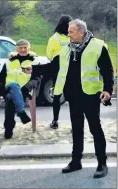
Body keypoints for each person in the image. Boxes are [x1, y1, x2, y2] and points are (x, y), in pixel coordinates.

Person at [54, 19, 114, 178]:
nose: (68, 34)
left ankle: (102, 163)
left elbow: (107, 70)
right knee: (76, 129)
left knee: (95, 129)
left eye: (71, 31)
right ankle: (76, 161)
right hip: (72, 96)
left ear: (81, 32)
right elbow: (57, 67)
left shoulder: (97, 46)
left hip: (90, 95)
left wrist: (108, 90)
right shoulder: (67, 48)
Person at [0, 39, 40, 139]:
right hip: (9, 87)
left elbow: (36, 79)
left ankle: (9, 128)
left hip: (23, 90)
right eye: (20, 48)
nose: (23, 50)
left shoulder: (34, 61)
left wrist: (27, 87)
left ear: (29, 48)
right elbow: (1, 78)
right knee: (14, 86)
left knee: (10, 98)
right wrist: (0, 88)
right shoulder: (9, 61)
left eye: (25, 47)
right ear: (17, 49)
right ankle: (20, 112)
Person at [46, 15, 73, 129]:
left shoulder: (54, 38)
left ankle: (55, 121)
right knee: (72, 97)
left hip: (57, 69)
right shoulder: (72, 37)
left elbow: (49, 55)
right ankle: (74, 124)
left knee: (57, 95)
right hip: (71, 68)